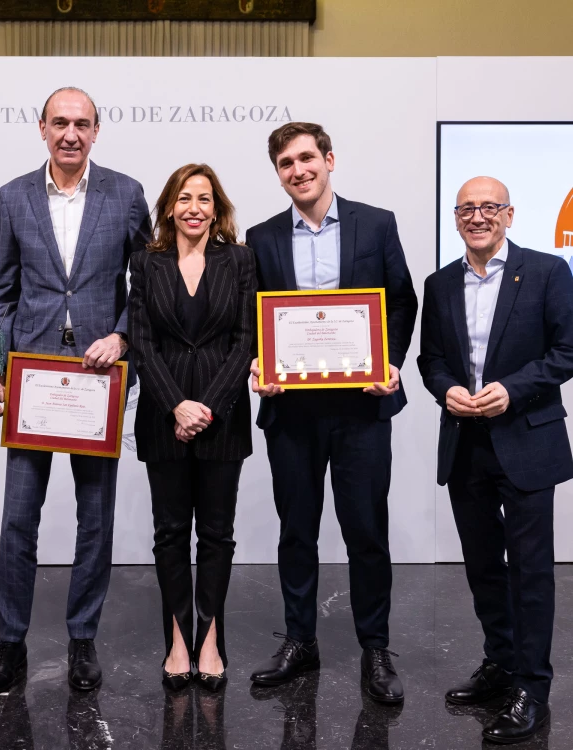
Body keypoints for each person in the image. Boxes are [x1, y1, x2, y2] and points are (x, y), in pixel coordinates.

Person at [0, 87, 151, 694]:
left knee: (94, 519)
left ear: (97, 130)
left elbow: (145, 287)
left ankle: (82, 640)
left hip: (99, 380)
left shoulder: (125, 194)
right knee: (18, 518)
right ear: (41, 128)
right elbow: (5, 289)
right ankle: (11, 644)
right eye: (59, 123)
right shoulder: (13, 195)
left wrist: (123, 339)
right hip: (32, 380)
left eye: (81, 124)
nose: (70, 133)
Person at [246, 122, 418, 703]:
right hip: (291, 412)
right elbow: (255, 321)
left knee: (366, 531)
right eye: (286, 163)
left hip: (361, 409)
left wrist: (389, 362)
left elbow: (401, 300)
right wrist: (258, 365)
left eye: (306, 158)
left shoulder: (376, 223)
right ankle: (301, 640)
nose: (298, 171)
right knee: (296, 531)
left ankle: (375, 648)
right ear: (278, 173)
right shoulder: (261, 236)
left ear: (329, 160)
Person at [418, 177, 573, 744]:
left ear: (509, 215)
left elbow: (567, 351)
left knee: (531, 573)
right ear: (455, 218)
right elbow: (430, 358)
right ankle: (501, 663)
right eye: (467, 209)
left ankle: (532, 687)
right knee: (483, 566)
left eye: (489, 207)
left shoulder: (548, 271)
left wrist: (513, 389)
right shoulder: (438, 284)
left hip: (527, 439)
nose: (477, 216)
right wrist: (445, 389)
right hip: (466, 443)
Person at [128, 164, 256, 692]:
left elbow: (246, 340)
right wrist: (177, 406)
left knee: (217, 535)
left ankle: (211, 639)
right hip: (163, 418)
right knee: (171, 533)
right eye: (185, 198)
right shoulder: (146, 262)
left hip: (222, 419)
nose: (195, 208)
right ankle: (179, 638)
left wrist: (206, 407)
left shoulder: (241, 259)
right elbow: (142, 341)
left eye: (204, 198)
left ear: (217, 206)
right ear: (169, 207)